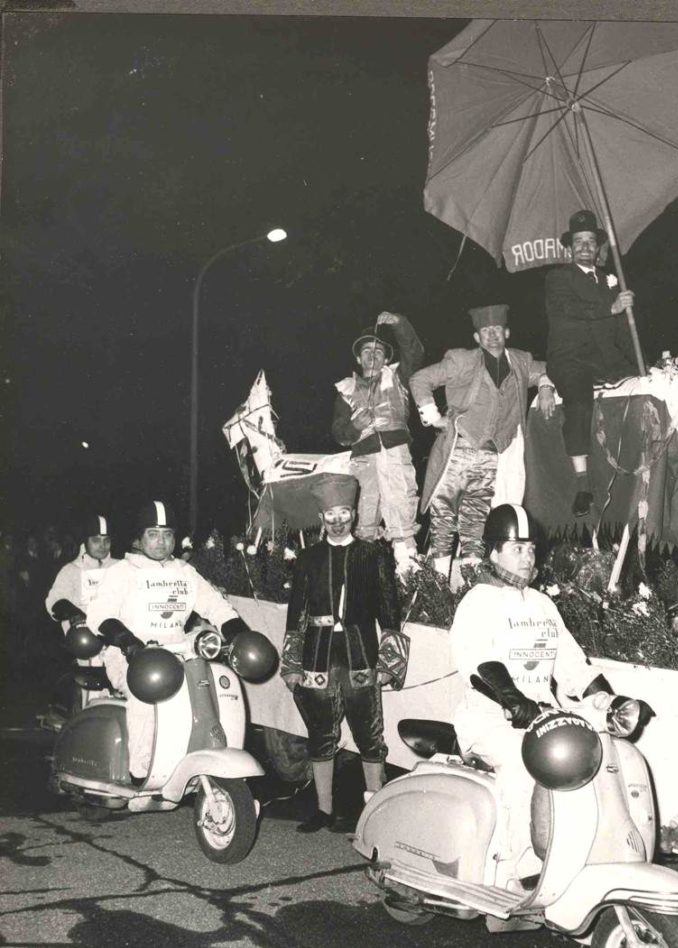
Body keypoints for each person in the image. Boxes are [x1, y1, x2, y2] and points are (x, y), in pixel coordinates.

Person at [450, 503, 600, 885]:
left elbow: (571, 664)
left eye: (531, 549)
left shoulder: (542, 604)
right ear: (494, 551)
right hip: (490, 720)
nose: (527, 557)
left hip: (542, 717)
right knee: (523, 767)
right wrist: (514, 701)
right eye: (517, 549)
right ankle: (519, 871)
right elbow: (479, 663)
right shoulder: (478, 601)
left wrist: (609, 701)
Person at [279, 472, 408, 833]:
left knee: (369, 733)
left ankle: (376, 814)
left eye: (344, 513)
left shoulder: (373, 555)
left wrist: (389, 663)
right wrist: (291, 664)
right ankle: (323, 810)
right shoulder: (308, 558)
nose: (338, 521)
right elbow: (297, 614)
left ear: (353, 513)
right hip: (317, 656)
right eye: (330, 514)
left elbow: (390, 613)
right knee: (321, 733)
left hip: (361, 654)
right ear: (321, 518)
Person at [85, 500, 249, 782]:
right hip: (130, 654)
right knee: (147, 695)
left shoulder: (184, 572)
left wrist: (238, 632)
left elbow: (215, 605)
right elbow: (99, 616)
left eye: (167, 534)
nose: (161, 542)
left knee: (215, 688)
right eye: (153, 534)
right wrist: (128, 642)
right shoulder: (122, 572)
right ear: (139, 538)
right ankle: (141, 768)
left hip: (179, 649)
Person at [410, 304, 556, 578]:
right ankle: (439, 584)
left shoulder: (521, 362)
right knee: (443, 516)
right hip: (458, 449)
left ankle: (470, 582)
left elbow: (551, 368)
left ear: (507, 333)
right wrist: (433, 415)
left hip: (491, 455)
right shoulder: (462, 360)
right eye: (485, 331)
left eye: (497, 330)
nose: (491, 335)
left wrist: (546, 386)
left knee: (476, 518)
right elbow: (420, 379)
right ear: (477, 338)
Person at [545, 209, 636, 517]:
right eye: (579, 241)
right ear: (569, 248)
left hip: (604, 361)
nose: (585, 246)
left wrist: (640, 360)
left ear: (598, 248)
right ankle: (583, 484)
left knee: (644, 382)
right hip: (570, 360)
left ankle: (633, 470)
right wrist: (611, 307)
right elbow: (572, 309)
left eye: (591, 241)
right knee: (579, 402)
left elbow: (621, 331)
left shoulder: (610, 281)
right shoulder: (558, 278)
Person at [331, 311, 424, 573]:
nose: (373, 355)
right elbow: (338, 433)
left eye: (379, 351)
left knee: (402, 506)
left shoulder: (398, 377)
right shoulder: (345, 389)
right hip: (364, 456)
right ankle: (361, 576)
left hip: (395, 450)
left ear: (386, 358)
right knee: (365, 512)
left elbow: (414, 352)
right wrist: (353, 428)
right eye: (367, 351)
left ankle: (409, 572)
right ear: (358, 358)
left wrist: (399, 323)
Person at [45, 514, 118, 633]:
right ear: (85, 541)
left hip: (118, 640)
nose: (102, 545)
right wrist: (72, 613)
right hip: (84, 638)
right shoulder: (71, 570)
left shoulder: (121, 566)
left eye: (106, 540)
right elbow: (54, 601)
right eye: (96, 540)